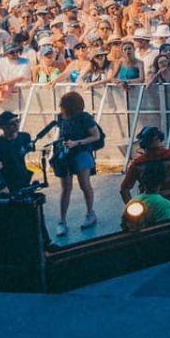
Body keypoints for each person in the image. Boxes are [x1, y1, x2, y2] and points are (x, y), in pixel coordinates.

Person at [46, 90, 104, 235]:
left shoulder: (85, 118)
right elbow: (60, 133)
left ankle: (90, 213)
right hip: (65, 153)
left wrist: (77, 143)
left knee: (84, 184)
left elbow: (95, 136)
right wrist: (54, 150)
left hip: (81, 152)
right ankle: (62, 220)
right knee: (66, 187)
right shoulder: (61, 117)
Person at [118, 125, 170, 217]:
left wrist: (133, 208)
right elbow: (124, 189)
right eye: (152, 149)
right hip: (160, 202)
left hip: (168, 200)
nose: (157, 152)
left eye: (158, 148)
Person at [0, 110, 36, 196]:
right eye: (11, 123)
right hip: (7, 180)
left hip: (23, 176)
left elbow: (29, 151)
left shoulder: (25, 137)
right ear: (2, 127)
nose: (16, 124)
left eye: (17, 121)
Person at [128, 163, 170, 228]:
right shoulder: (165, 204)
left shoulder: (131, 203)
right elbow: (167, 229)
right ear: (163, 180)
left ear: (142, 179)